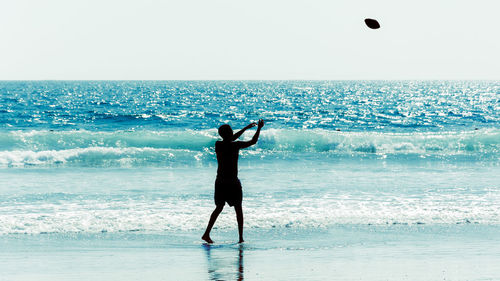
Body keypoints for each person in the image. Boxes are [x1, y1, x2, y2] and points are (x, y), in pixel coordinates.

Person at [202, 119, 264, 244]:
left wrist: (246, 128)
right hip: (232, 182)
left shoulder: (218, 145)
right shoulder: (235, 145)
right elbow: (253, 141)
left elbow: (231, 138)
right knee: (238, 209)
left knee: (219, 207)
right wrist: (258, 129)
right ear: (229, 133)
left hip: (220, 182)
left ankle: (207, 233)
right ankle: (240, 237)